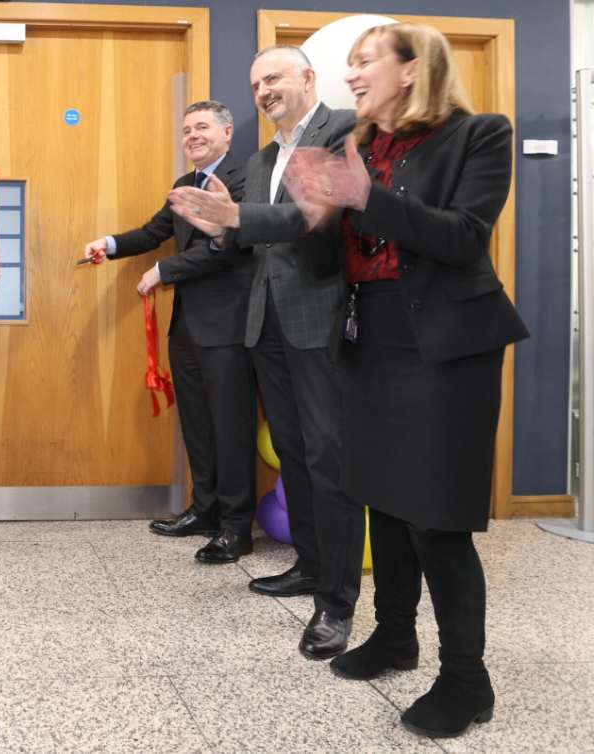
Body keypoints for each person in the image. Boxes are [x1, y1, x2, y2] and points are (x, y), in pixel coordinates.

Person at [282, 23, 529, 739]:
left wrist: (362, 195)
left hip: (446, 345)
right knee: (382, 501)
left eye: (364, 62)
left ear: (414, 68)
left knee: (435, 516)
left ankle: (466, 679)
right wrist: (321, 217)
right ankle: (395, 637)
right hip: (371, 337)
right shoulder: (356, 148)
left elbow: (461, 237)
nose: (351, 74)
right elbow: (324, 265)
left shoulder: (480, 133)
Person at [169, 47, 363, 658]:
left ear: (309, 78)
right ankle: (309, 565)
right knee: (296, 453)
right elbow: (254, 234)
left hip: (321, 318)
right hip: (267, 324)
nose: (264, 91)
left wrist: (238, 216)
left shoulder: (341, 131)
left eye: (273, 78)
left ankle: (337, 602)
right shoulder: (261, 157)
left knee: (329, 460)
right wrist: (221, 226)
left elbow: (318, 217)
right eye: (256, 83)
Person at [82, 101, 255, 563]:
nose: (192, 136)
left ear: (227, 132)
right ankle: (206, 511)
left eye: (202, 127)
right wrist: (111, 244)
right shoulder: (184, 184)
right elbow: (154, 231)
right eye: (186, 130)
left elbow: (230, 249)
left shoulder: (242, 180)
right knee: (197, 422)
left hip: (229, 325)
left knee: (231, 426)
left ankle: (237, 528)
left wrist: (163, 270)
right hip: (188, 326)